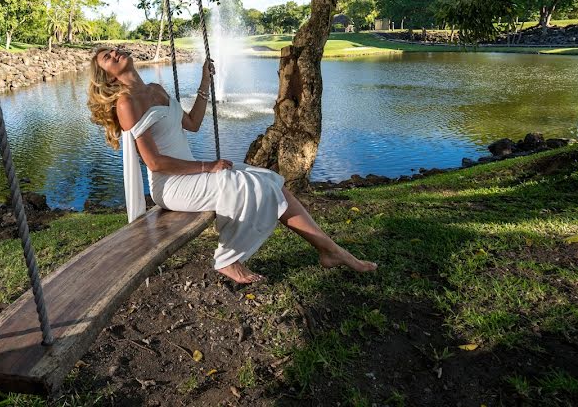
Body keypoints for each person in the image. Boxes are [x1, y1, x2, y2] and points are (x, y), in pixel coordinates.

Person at [87, 46, 377, 284]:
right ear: (109, 79)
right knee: (243, 183)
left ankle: (330, 250)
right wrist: (207, 166)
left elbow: (192, 123)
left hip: (194, 175)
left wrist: (204, 83)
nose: (115, 53)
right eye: (108, 58)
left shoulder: (156, 89)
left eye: (113, 50)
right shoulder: (126, 103)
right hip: (172, 185)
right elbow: (154, 162)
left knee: (269, 181)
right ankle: (228, 259)